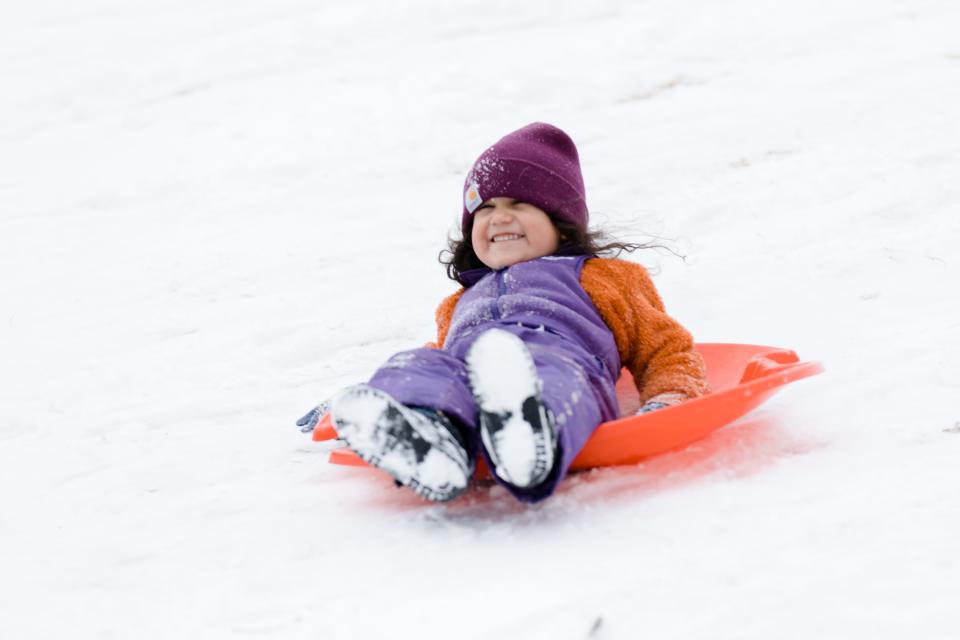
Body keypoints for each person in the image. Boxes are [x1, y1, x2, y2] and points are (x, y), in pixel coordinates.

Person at [300, 122, 709, 503]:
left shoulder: (604, 278)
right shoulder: (460, 301)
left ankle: (531, 435)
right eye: (485, 207)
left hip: (561, 365)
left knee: (546, 375)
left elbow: (665, 348)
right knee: (418, 363)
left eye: (520, 203)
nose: (499, 216)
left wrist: (671, 399)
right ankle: (427, 438)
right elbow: (439, 363)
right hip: (473, 371)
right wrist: (363, 397)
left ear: (561, 224)